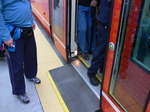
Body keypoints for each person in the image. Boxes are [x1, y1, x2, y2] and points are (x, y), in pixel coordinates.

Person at [0, 0, 41, 104]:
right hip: (14, 34)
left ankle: (31, 75)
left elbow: (28, 5)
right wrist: (6, 36)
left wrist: (31, 20)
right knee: (16, 64)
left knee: (31, 56)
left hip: (28, 30)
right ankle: (19, 91)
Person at [87, 0, 112, 86]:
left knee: (107, 50)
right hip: (105, 24)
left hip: (109, 24)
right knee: (101, 50)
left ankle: (102, 67)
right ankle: (91, 73)